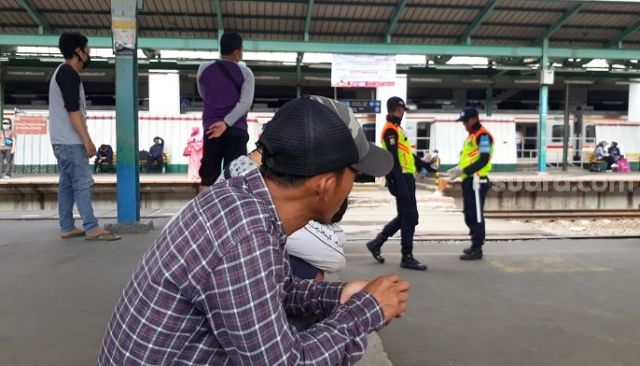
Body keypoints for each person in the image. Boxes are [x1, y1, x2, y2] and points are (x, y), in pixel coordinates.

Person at [98, 95, 409, 365]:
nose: (352, 186)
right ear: (326, 185)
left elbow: (277, 288)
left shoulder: (243, 198)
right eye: (354, 174)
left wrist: (340, 295)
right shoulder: (246, 233)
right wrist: (367, 310)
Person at [217, 148, 347, 280]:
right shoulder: (261, 194)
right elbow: (335, 258)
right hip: (234, 271)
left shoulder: (243, 169)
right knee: (311, 271)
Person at [48, 32, 119, 241]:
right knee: (81, 181)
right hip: (70, 141)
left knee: (67, 183)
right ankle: (91, 226)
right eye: (87, 50)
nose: (88, 54)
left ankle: (67, 227)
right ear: (77, 52)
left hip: (61, 140)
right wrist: (87, 140)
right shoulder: (68, 73)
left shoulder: (60, 73)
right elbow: (73, 111)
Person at [366, 96, 427, 271]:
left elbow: (408, 154)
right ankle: (406, 256)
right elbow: (393, 160)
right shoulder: (389, 131)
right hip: (401, 179)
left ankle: (376, 243)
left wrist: (424, 164)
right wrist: (400, 185)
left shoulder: (397, 129)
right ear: (395, 109)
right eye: (401, 110)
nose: (402, 113)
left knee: (405, 216)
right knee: (410, 217)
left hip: (407, 177)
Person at [197, 32, 254, 192]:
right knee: (236, 175)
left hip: (211, 128)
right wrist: (227, 122)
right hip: (236, 129)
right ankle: (232, 215)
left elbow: (203, 94)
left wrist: (220, 120)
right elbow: (245, 104)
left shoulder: (204, 68)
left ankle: (205, 214)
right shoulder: (246, 73)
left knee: (208, 174)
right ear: (236, 52)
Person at [446, 107, 494, 260]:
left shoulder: (483, 136)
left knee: (476, 215)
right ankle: (474, 244)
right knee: (469, 214)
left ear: (474, 119)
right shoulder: (471, 137)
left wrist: (464, 170)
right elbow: (469, 157)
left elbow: (483, 159)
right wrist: (459, 168)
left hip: (478, 180)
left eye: (466, 121)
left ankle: (477, 248)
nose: (464, 125)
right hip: (469, 180)